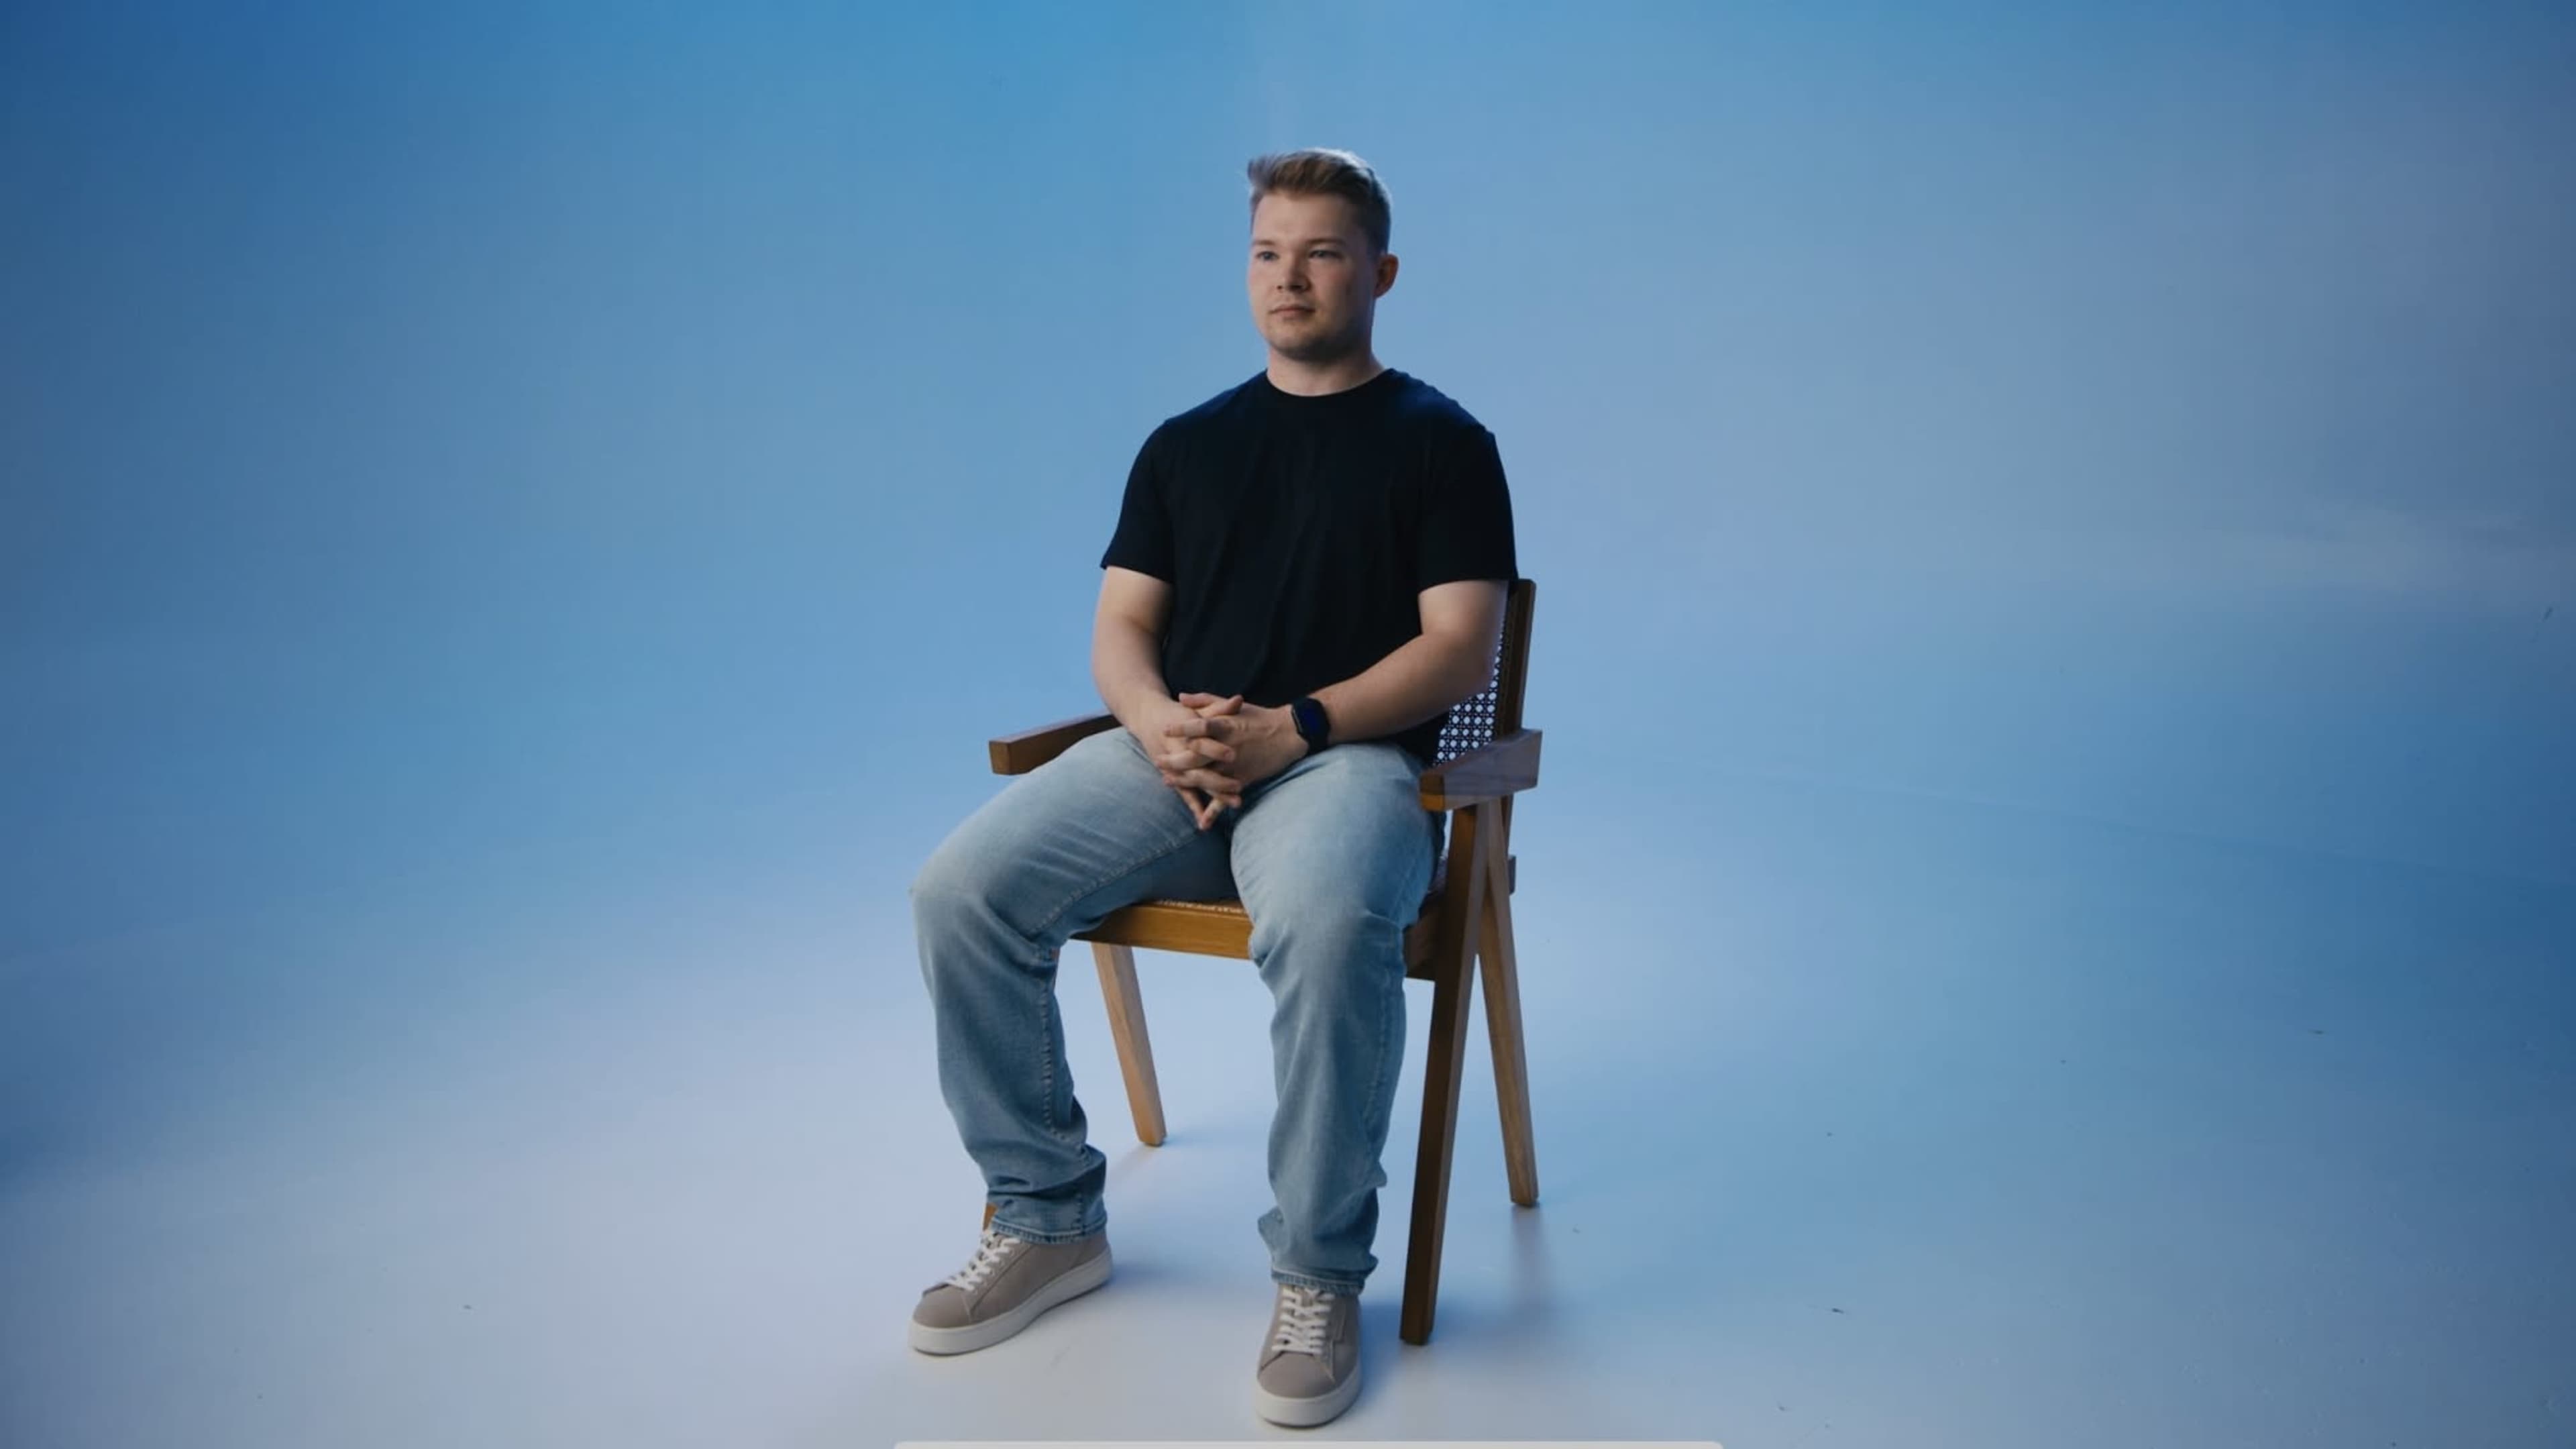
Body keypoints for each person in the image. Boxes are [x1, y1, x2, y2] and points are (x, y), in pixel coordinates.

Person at [905, 146, 1517, 1429]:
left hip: (1343, 765)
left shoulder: (1443, 443)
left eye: (1322, 253)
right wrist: (1157, 728)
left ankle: (1316, 1275)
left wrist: (1294, 729)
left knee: (1328, 916)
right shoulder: (1187, 446)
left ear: (1381, 273)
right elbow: (1124, 631)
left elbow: (1458, 649)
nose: (1290, 277)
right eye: (1267, 253)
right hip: (1173, 759)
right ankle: (1047, 1217)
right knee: (960, 892)